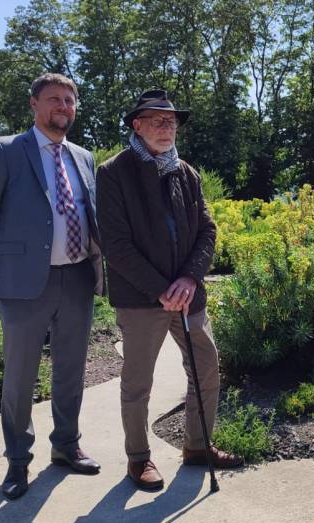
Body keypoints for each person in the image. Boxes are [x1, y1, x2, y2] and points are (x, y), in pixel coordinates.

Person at [0, 73, 104, 500]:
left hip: (77, 277)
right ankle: (17, 462)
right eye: (54, 99)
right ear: (34, 105)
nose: (63, 106)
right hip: (25, 286)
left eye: (70, 100)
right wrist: (7, 260)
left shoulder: (84, 157)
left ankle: (65, 446)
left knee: (71, 371)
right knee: (20, 377)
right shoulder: (6, 150)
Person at [96, 90, 242, 490]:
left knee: (206, 367)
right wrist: (162, 288)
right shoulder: (113, 173)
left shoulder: (186, 172)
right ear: (136, 125)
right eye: (156, 120)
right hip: (142, 299)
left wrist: (190, 278)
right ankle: (138, 458)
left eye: (171, 121)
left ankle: (198, 446)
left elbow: (207, 231)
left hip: (187, 294)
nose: (166, 127)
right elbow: (116, 244)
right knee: (139, 382)